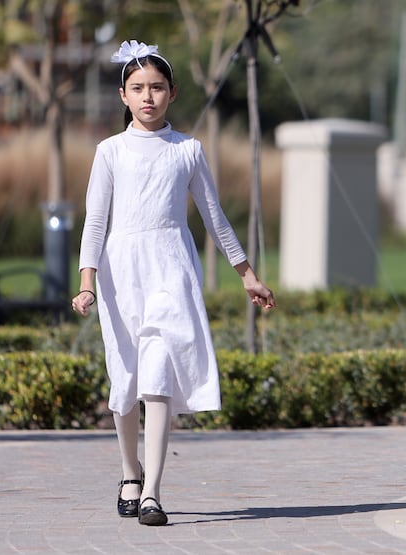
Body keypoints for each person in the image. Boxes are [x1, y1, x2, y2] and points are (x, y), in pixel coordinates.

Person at [71, 40, 276, 526]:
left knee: (158, 374)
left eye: (157, 88)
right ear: (123, 94)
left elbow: (214, 217)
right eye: (138, 88)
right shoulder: (110, 152)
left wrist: (247, 274)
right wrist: (87, 282)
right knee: (125, 383)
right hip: (121, 273)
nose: (148, 97)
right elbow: (94, 222)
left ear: (172, 92)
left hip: (172, 268)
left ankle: (153, 494)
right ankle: (129, 472)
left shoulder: (189, 149)